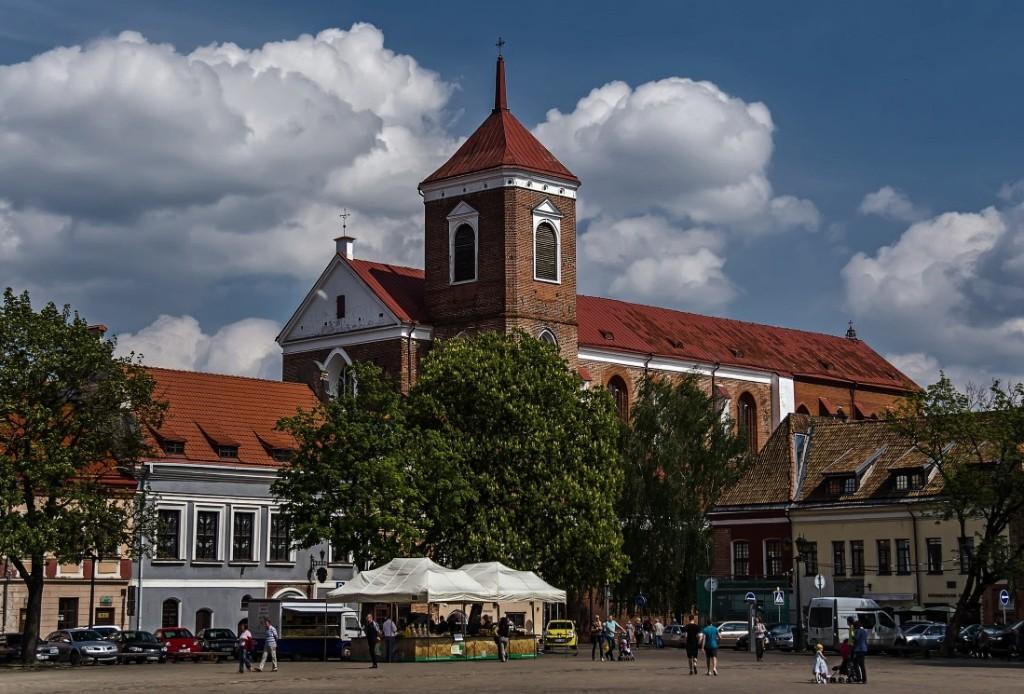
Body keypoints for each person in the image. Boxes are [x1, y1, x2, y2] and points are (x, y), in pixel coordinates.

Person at [852, 620, 869, 684]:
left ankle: (858, 678)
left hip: (859, 649)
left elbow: (856, 638)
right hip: (864, 649)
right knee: (862, 665)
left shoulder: (858, 631)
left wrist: (853, 637)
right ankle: (864, 679)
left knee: (855, 664)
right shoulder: (864, 631)